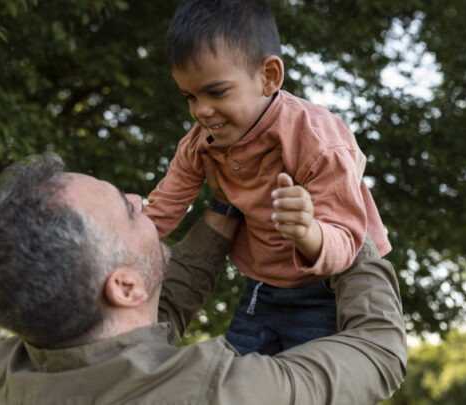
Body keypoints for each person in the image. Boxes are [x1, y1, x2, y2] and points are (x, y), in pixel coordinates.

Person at [0, 153, 406, 404]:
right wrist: (342, 218)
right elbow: (380, 350)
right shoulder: (216, 395)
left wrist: (230, 203)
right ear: (124, 286)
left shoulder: (5, 373)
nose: (138, 196)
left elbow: (147, 322)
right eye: (128, 208)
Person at [144, 0, 392, 355]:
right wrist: (121, 243)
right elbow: (164, 206)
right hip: (263, 284)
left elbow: (347, 241)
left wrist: (308, 232)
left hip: (324, 288)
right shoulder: (201, 142)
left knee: (313, 381)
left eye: (216, 92)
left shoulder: (318, 143)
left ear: (269, 77)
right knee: (238, 379)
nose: (200, 110)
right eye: (189, 96)